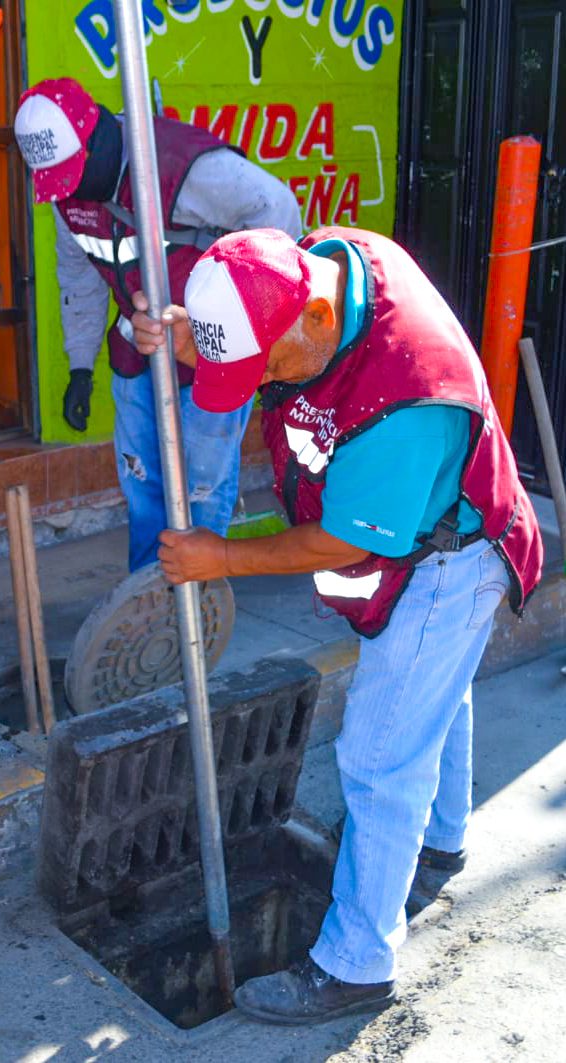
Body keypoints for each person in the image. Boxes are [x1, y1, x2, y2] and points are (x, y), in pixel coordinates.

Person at [130, 226, 543, 1023]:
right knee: (434, 695)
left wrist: (221, 555)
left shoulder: (409, 395)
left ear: (317, 318)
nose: (261, 387)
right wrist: (196, 338)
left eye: (267, 369)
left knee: (381, 752)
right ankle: (440, 843)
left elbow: (342, 540)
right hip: (426, 525)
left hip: (448, 556)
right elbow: (259, 337)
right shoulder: (319, 265)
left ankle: (355, 961)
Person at [13, 78, 302, 571]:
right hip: (137, 352)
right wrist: (80, 367)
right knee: (144, 485)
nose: (71, 189)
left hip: (212, 357)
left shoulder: (185, 168)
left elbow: (279, 215)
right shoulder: (66, 193)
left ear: (98, 138)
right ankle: (153, 609)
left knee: (200, 489)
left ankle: (200, 607)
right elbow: (79, 276)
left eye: (74, 172)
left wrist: (234, 314)